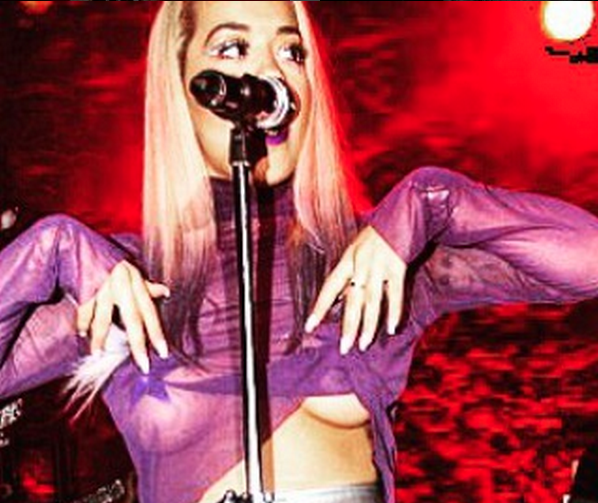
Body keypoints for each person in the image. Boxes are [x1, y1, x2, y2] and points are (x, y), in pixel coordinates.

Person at [1, 2, 598, 503]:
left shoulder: (372, 265)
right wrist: (50, 247)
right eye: (233, 48)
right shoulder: (122, 286)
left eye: (291, 52)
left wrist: (433, 197)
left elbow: (588, 258)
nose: (271, 75)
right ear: (180, 87)